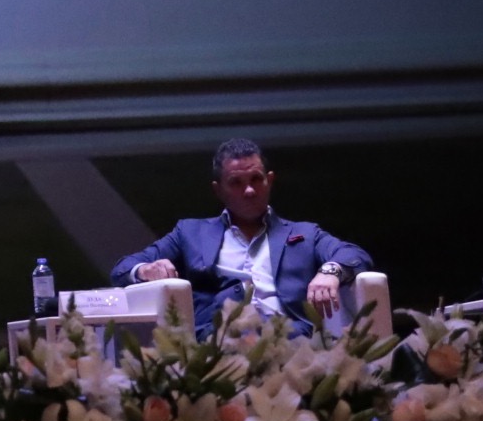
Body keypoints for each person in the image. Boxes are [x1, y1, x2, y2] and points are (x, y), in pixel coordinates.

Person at [117, 137, 371, 337]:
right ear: (218, 190)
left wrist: (330, 271)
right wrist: (146, 270)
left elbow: (355, 255)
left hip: (291, 342)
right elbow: (122, 269)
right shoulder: (190, 233)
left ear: (269, 181)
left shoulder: (303, 233)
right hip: (218, 344)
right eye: (236, 182)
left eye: (256, 179)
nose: (249, 190)